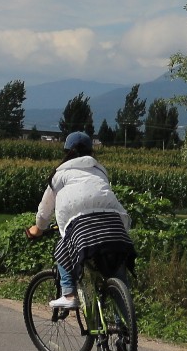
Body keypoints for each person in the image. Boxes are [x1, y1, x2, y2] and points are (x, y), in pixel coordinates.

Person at [27, 131, 134, 311]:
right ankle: (126, 328)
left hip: (81, 226)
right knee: (118, 272)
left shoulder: (59, 175)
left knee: (62, 246)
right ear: (91, 152)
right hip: (115, 224)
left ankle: (68, 294)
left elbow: (45, 211)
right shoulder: (100, 171)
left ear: (66, 152)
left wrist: (37, 229)